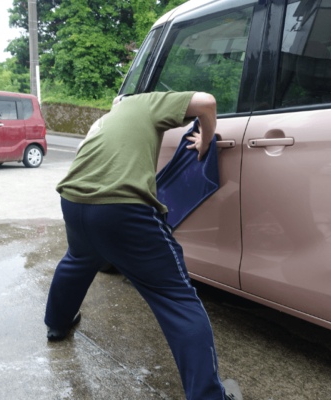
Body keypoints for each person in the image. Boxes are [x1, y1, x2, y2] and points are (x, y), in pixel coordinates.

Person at [44, 91, 243, 400]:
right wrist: (206, 138)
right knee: (176, 297)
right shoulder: (142, 102)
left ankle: (57, 324)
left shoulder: (104, 121)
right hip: (122, 208)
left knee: (78, 259)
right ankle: (208, 396)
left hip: (73, 200)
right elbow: (206, 102)